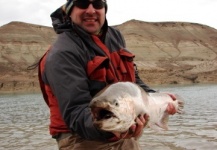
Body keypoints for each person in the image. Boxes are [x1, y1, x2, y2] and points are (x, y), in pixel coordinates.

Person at [38, 0, 176, 149]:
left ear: (104, 9)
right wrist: (114, 127)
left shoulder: (114, 36)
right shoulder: (63, 54)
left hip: (122, 130)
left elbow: (132, 82)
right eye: (83, 3)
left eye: (97, 4)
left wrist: (154, 97)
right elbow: (75, 113)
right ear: (70, 10)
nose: (91, 11)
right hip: (80, 139)